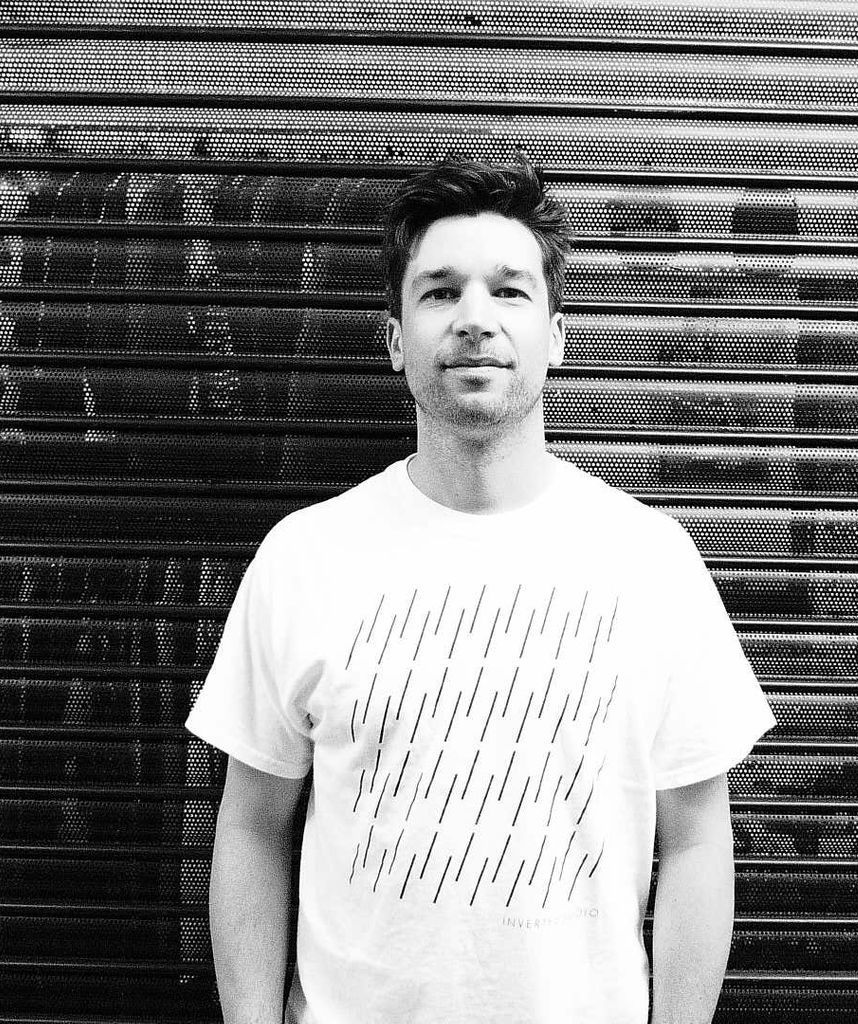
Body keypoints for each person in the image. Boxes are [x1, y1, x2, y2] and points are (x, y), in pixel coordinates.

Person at [185, 156, 776, 1024]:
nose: (474, 318)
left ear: (557, 336)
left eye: (508, 291)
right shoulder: (303, 559)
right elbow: (250, 829)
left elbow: (694, 841)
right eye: (439, 291)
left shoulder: (653, 563)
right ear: (395, 340)